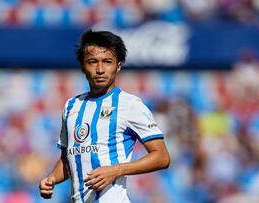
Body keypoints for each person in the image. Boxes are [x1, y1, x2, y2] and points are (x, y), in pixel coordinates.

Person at [39, 30, 170, 202]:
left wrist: (116, 170)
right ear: (82, 65)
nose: (100, 69)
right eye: (93, 62)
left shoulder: (130, 104)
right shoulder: (72, 106)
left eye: (107, 62)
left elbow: (162, 156)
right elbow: (68, 159)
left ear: (118, 65)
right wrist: (52, 179)